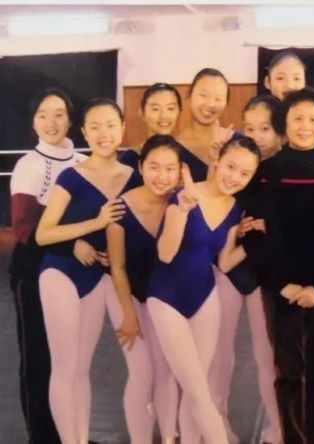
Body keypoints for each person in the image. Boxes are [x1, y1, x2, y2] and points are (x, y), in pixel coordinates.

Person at [240, 87, 314, 443]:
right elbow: (253, 235)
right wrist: (282, 284)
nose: (305, 126)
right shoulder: (264, 174)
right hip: (281, 287)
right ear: (284, 123)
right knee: (288, 371)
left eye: (313, 119)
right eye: (297, 119)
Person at [35, 98, 137, 444]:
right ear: (84, 132)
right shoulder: (71, 176)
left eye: (110, 125)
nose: (103, 133)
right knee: (65, 367)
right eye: (94, 126)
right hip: (61, 273)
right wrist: (94, 223)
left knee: (82, 369)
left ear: (122, 129)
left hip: (98, 275)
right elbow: (43, 234)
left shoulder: (135, 177)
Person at [146, 137, 260, 444]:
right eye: (231, 167)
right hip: (166, 297)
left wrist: (257, 240)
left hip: (205, 297)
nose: (234, 177)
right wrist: (183, 211)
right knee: (198, 390)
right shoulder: (185, 195)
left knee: (196, 391)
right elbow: (165, 254)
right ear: (217, 161)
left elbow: (225, 261)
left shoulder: (236, 208)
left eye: (245, 173)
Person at [9, 87, 86, 444]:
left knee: (71, 360)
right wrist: (76, 240)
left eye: (58, 114)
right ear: (33, 121)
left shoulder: (82, 163)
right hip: (33, 270)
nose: (51, 122)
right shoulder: (29, 165)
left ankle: (71, 435)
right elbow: (26, 228)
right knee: (39, 358)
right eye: (42, 115)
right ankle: (42, 437)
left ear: (71, 120)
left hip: (74, 271)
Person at [208, 95, 283, 444]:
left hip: (263, 273)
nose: (257, 135)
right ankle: (217, 422)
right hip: (227, 269)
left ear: (279, 130)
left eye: (264, 128)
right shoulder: (233, 164)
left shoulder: (283, 170)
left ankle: (279, 424)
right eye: (249, 128)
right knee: (220, 353)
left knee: (267, 354)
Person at [106, 135, 182, 444]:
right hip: (126, 292)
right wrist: (128, 314)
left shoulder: (182, 204)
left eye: (169, 169)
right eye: (154, 167)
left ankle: (168, 437)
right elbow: (117, 267)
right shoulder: (120, 209)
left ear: (180, 172)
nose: (161, 176)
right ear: (140, 167)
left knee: (166, 370)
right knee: (142, 371)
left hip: (163, 297)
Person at [177, 68, 235, 179]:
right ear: (190, 94)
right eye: (203, 95)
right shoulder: (173, 150)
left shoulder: (238, 141)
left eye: (218, 99)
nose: (211, 104)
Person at [119, 82, 182, 170]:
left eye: (170, 108)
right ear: (142, 112)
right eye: (155, 109)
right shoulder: (130, 159)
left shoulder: (186, 155)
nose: (164, 116)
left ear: (179, 112)